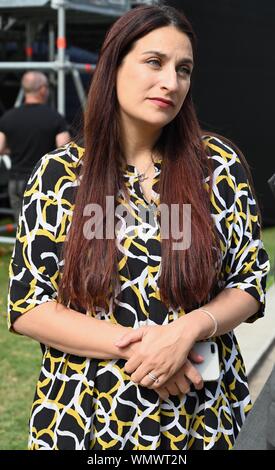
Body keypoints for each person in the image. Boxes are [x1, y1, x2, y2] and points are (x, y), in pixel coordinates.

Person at [7, 4, 270, 450]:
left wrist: (187, 330)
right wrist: (145, 350)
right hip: (85, 414)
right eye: (154, 62)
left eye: (183, 69)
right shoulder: (61, 174)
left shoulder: (217, 166)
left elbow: (250, 282)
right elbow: (29, 305)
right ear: (114, 66)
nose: (171, 82)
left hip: (201, 413)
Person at [0, 71, 71, 225]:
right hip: (42, 181)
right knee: (42, 228)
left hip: (15, 181)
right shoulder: (54, 118)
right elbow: (64, 150)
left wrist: (16, 150)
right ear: (42, 89)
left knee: (22, 229)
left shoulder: (8, 117)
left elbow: (1, 148)